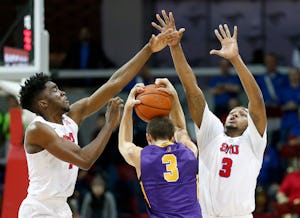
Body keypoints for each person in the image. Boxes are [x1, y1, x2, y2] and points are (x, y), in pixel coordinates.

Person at [18, 26, 175, 218]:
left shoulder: (71, 116)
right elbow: (84, 160)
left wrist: (149, 49)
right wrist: (109, 125)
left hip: (61, 207)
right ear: (43, 103)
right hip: (39, 209)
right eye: (55, 91)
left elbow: (114, 83)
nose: (62, 93)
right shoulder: (38, 129)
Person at [152, 10, 267, 218]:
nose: (234, 115)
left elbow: (257, 101)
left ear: (250, 124)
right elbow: (191, 88)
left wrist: (235, 59)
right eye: (232, 112)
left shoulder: (254, 142)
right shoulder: (212, 134)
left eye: (241, 114)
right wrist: (175, 47)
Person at [118, 78, 202, 218]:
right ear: (173, 137)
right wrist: (173, 96)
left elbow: (125, 143)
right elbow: (181, 129)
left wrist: (128, 108)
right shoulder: (190, 151)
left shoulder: (142, 157)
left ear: (148, 137)